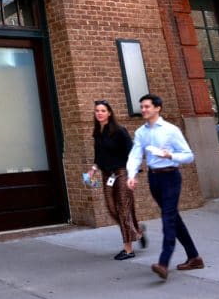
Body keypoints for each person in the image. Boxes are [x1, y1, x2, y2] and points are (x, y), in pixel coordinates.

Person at [127, 93, 205, 280]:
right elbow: (135, 155)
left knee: (168, 218)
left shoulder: (171, 130)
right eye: (142, 106)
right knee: (174, 219)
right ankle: (194, 257)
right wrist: (131, 175)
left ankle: (163, 262)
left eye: (147, 106)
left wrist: (169, 156)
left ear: (157, 108)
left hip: (171, 176)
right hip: (154, 179)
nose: (143, 110)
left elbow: (188, 155)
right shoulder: (141, 132)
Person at [87, 100, 145, 260]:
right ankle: (137, 231)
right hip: (107, 175)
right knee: (112, 209)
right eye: (97, 110)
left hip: (122, 173)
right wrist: (93, 169)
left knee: (123, 209)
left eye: (103, 110)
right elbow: (99, 155)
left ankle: (128, 249)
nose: (99, 113)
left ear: (109, 113)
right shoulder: (97, 132)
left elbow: (132, 152)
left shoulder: (119, 131)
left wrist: (133, 174)